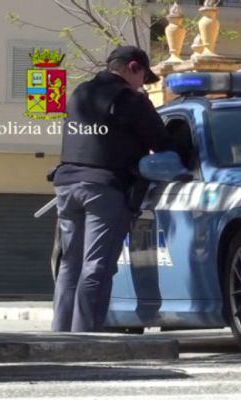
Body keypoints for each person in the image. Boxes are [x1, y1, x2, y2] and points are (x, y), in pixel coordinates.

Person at [47, 45, 177, 332]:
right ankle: (86, 338)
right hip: (104, 190)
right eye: (143, 76)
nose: (143, 84)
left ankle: (60, 337)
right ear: (133, 67)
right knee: (97, 266)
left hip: (66, 186)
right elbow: (164, 144)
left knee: (70, 266)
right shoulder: (131, 100)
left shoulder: (79, 93)